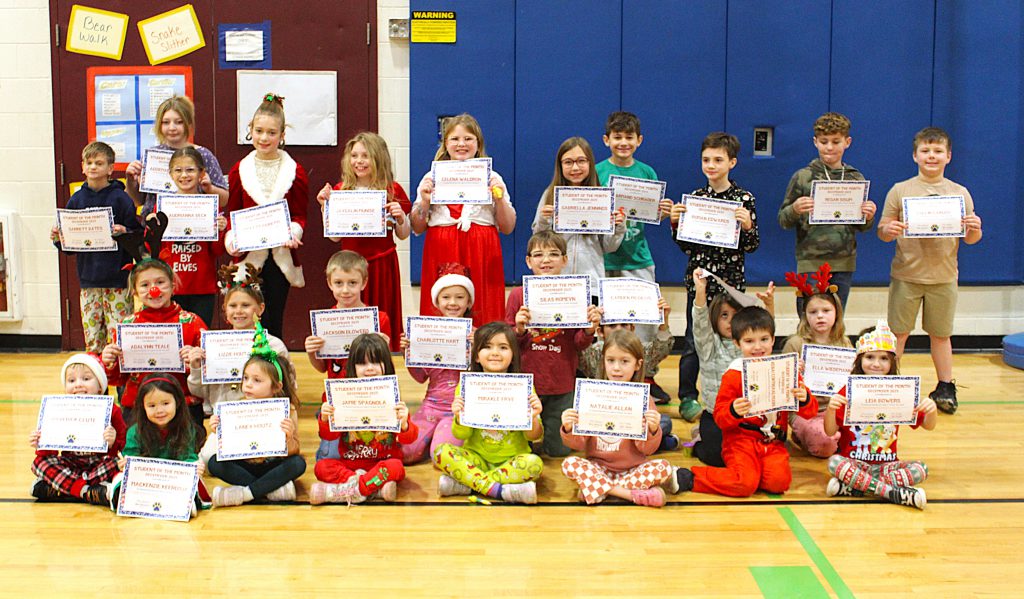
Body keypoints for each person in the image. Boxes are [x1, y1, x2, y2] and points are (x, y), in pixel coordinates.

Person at [877, 126, 983, 414]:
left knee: (941, 335)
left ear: (948, 156)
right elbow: (882, 231)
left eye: (937, 151)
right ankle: (889, 385)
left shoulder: (959, 193)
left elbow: (970, 238)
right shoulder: (901, 190)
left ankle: (945, 386)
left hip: (944, 276)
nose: (931, 156)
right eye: (925, 150)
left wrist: (975, 229)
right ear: (915, 155)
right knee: (897, 334)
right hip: (906, 275)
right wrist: (890, 228)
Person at [673, 306, 817, 498]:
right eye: (749, 341)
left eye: (764, 339)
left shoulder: (784, 370)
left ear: (773, 339)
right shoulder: (733, 374)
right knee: (744, 484)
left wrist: (805, 398)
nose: (758, 347)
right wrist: (733, 410)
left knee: (779, 483)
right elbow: (720, 417)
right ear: (737, 343)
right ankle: (688, 477)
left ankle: (750, 475)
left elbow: (810, 413)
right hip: (741, 441)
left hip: (773, 443)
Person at [670, 132, 759, 420]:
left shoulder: (744, 198)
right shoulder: (696, 198)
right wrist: (676, 224)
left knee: (732, 339)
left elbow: (752, 246)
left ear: (731, 162)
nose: (711, 165)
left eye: (718, 160)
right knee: (694, 340)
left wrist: (747, 227)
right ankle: (687, 397)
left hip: (730, 285)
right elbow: (686, 245)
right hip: (699, 283)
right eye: (706, 159)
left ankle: (731, 393)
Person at [412, 114, 516, 326]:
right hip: (441, 250)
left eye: (468, 138)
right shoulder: (431, 177)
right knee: (444, 306)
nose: (461, 144)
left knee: (483, 310)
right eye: (455, 139)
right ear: (446, 143)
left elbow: (508, 227)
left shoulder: (493, 177)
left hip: (482, 250)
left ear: (478, 143)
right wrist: (424, 202)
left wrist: (499, 198)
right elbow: (417, 226)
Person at [506, 230, 601, 457]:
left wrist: (589, 330)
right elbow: (507, 341)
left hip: (562, 382)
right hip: (527, 382)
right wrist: (518, 329)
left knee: (558, 451)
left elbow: (578, 343)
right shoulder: (518, 295)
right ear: (528, 261)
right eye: (538, 255)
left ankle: (549, 438)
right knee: (520, 448)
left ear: (565, 260)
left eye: (554, 254)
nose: (546, 260)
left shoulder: (576, 294)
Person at [101, 223, 206, 426]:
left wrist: (196, 359)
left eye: (160, 283)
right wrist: (109, 361)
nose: (154, 290)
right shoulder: (128, 326)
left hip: (182, 406)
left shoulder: (192, 322)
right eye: (145, 285)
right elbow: (118, 379)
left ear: (173, 286)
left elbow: (208, 372)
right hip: (139, 408)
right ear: (135, 291)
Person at [823, 323, 936, 509]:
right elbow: (829, 431)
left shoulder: (900, 390)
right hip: (854, 462)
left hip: (887, 466)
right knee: (834, 462)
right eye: (869, 357)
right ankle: (892, 493)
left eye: (884, 358)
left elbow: (928, 425)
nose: (876, 364)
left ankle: (856, 488)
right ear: (859, 360)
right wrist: (831, 409)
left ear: (892, 362)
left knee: (921, 469)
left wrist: (932, 410)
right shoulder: (848, 390)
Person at [316, 132, 411, 351]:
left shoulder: (392, 190)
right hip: (350, 267)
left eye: (365, 156)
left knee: (382, 320)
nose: (359, 161)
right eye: (354, 155)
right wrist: (325, 208)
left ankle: (381, 364)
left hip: (382, 265)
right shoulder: (340, 190)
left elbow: (404, 234)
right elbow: (334, 236)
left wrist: (400, 217)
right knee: (352, 319)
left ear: (378, 158)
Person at [224, 93, 308, 339]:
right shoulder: (239, 171)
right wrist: (233, 238)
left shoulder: (296, 172)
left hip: (279, 257)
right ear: (250, 130)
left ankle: (275, 374)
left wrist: (293, 233)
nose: (264, 138)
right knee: (249, 321)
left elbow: (300, 214)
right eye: (259, 130)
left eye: (271, 133)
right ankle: (249, 375)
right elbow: (233, 213)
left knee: (273, 320)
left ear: (282, 135)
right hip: (248, 257)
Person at [433, 322, 544, 504]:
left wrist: (532, 418)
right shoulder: (466, 387)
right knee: (441, 452)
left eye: (503, 347)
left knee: (534, 464)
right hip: (476, 459)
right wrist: (460, 418)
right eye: (487, 347)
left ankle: (467, 484)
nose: (495, 353)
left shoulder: (524, 387)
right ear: (476, 356)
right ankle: (500, 491)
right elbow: (461, 434)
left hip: (512, 460)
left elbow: (534, 436)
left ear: (513, 354)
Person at [560, 329, 673, 507]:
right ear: (603, 361)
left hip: (632, 469)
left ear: (637, 364)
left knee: (664, 467)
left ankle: (598, 490)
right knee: (570, 464)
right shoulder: (590, 395)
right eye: (610, 360)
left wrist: (653, 430)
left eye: (625, 361)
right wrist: (568, 428)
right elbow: (578, 445)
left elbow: (648, 450)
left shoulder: (645, 400)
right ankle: (631, 495)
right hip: (598, 468)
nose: (616, 368)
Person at [777, 112, 877, 313]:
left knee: (835, 321)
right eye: (824, 142)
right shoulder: (803, 177)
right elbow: (783, 220)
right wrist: (795, 209)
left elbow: (862, 226)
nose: (829, 147)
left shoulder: (855, 178)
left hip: (843, 262)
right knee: (810, 319)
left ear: (847, 142)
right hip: (810, 262)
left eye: (835, 141)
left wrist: (869, 215)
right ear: (815, 142)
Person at [51, 141, 142, 353]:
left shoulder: (121, 199)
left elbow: (137, 237)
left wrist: (124, 232)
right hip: (88, 282)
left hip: (118, 282)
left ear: (110, 168)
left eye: (99, 163)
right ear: (82, 167)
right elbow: (70, 247)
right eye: (89, 162)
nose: (93, 167)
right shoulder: (76, 200)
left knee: (119, 339)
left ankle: (121, 386)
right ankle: (96, 385)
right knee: (93, 340)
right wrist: (58, 238)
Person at [310, 334, 417, 504]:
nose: (370, 369)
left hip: (382, 463)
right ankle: (374, 489)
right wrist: (325, 418)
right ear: (352, 366)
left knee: (396, 467)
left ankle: (348, 491)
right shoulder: (341, 397)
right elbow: (329, 437)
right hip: (350, 465)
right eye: (362, 363)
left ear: (387, 365)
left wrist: (404, 424)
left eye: (375, 362)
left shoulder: (392, 397)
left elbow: (409, 438)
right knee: (321, 467)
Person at [207, 325, 306, 506]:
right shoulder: (236, 408)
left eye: (257, 380)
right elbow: (229, 452)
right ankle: (270, 489)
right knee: (214, 463)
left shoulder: (287, 409)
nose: (248, 385)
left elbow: (294, 451)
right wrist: (218, 430)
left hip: (273, 464)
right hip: (247, 466)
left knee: (298, 464)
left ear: (276, 386)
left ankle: (245, 493)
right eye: (245, 378)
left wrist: (289, 437)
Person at [595, 112, 667, 350]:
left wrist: (662, 211)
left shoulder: (647, 173)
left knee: (643, 320)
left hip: (637, 257)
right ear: (606, 140)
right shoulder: (597, 172)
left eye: (629, 137)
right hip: (603, 259)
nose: (623, 142)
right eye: (617, 137)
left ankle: (646, 372)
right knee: (604, 320)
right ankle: (601, 371)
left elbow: (652, 211)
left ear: (640, 140)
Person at [688, 270, 775, 467]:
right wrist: (700, 291)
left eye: (735, 315)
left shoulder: (751, 346)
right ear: (715, 319)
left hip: (749, 416)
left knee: (757, 456)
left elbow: (765, 331)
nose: (730, 321)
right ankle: (698, 440)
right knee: (717, 458)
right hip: (716, 415)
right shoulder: (709, 346)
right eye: (724, 315)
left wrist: (769, 305)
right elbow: (700, 323)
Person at [187, 263, 292, 416]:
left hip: (262, 416)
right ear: (225, 309)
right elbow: (200, 392)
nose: (239, 311)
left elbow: (289, 387)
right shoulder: (213, 346)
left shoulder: (274, 346)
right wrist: (196, 368)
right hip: (222, 416)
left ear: (260, 308)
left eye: (246, 305)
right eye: (233, 305)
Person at [532, 136, 627, 294]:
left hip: (592, 283)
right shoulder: (550, 195)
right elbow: (538, 241)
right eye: (568, 162)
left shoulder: (601, 198)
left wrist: (618, 226)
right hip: (556, 283)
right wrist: (544, 220)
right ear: (560, 165)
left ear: (590, 163)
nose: (575, 168)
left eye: (581, 161)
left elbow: (609, 247)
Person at [400, 263, 474, 464]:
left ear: (469, 302)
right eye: (446, 297)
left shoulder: (475, 335)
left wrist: (479, 349)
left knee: (439, 455)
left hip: (459, 409)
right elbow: (420, 377)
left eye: (460, 297)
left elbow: (486, 374)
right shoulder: (427, 333)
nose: (453, 303)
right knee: (405, 453)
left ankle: (446, 439)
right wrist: (408, 353)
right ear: (437, 302)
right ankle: (432, 437)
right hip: (431, 406)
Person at [579, 298, 677, 449]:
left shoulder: (638, 350)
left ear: (632, 328)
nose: (619, 329)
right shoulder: (593, 352)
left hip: (632, 418)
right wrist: (588, 326)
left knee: (663, 422)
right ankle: (656, 443)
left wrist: (663, 322)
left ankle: (634, 444)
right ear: (600, 331)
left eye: (624, 324)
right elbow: (572, 352)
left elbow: (660, 349)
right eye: (612, 325)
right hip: (603, 417)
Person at [28, 354, 126, 504]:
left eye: (86, 379)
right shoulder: (59, 409)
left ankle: (61, 488)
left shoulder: (112, 410)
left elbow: (122, 448)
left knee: (116, 464)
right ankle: (87, 491)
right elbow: (50, 453)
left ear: (100, 387)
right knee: (39, 463)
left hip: (99, 463)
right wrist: (41, 443)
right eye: (71, 380)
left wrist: (112, 442)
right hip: (71, 462)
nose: (78, 385)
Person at [109, 374, 209, 516]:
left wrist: (193, 466)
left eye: (166, 404)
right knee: (119, 481)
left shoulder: (186, 428)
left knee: (195, 481)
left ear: (178, 402)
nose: (159, 410)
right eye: (152, 406)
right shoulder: (135, 432)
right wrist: (127, 464)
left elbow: (188, 457)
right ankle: (167, 505)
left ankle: (181, 504)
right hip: (146, 482)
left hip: (173, 480)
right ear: (143, 407)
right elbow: (131, 457)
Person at [782, 263, 852, 458]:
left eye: (826, 311)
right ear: (805, 316)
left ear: (837, 312)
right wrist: (796, 373)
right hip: (807, 412)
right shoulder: (795, 344)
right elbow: (782, 388)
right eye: (813, 312)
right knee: (825, 444)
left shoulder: (844, 343)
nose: (820, 316)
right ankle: (805, 436)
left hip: (836, 408)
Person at [125, 95, 228, 214]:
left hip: (193, 222)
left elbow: (224, 200)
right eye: (166, 122)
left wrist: (210, 189)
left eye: (179, 122)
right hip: (155, 226)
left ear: (188, 124)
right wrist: (131, 181)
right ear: (159, 125)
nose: (172, 128)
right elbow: (138, 201)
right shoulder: (151, 156)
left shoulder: (203, 155)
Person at [161, 146, 227, 326]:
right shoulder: (163, 206)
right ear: (170, 174)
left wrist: (220, 230)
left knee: (200, 336)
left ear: (201, 173)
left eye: (190, 170)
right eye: (178, 170)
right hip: (171, 286)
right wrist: (153, 229)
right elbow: (154, 249)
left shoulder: (211, 205)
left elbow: (218, 251)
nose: (184, 175)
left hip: (202, 286)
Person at [304, 250, 391, 380]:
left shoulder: (380, 319)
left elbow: (385, 367)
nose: (345, 290)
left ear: (364, 283)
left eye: (352, 283)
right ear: (329, 283)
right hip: (337, 393)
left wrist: (384, 348)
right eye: (338, 283)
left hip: (371, 393)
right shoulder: (324, 322)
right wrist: (311, 352)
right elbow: (323, 368)